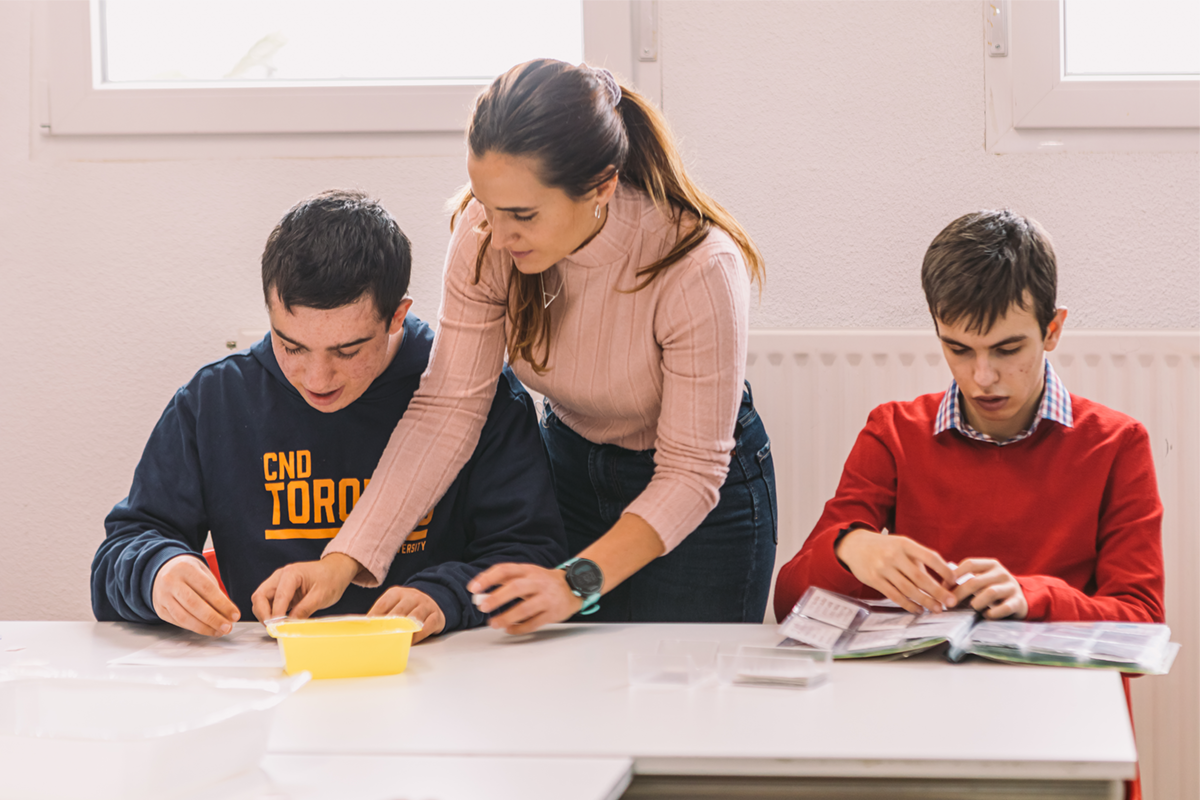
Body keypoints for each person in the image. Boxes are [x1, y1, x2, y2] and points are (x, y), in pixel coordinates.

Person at [253, 59, 777, 630]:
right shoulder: (485, 234)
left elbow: (691, 473)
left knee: (684, 704)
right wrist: (341, 560)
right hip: (573, 469)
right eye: (486, 202)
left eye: (522, 214)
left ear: (601, 184)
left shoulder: (697, 266)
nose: (497, 236)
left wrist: (575, 582)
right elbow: (448, 407)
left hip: (701, 505)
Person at [92, 190, 567, 642]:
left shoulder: (476, 391)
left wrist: (445, 597)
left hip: (431, 677)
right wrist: (157, 572)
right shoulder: (214, 401)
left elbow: (533, 555)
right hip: (267, 679)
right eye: (291, 345)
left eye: (348, 349)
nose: (317, 378)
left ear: (397, 316)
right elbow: (121, 551)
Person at [773, 209, 1164, 626]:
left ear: (1052, 330)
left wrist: (1033, 597)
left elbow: (1142, 620)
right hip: (934, 680)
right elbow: (788, 605)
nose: (983, 378)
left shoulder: (1117, 443)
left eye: (1008, 349)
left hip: (1054, 686)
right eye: (958, 350)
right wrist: (848, 549)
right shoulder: (893, 433)